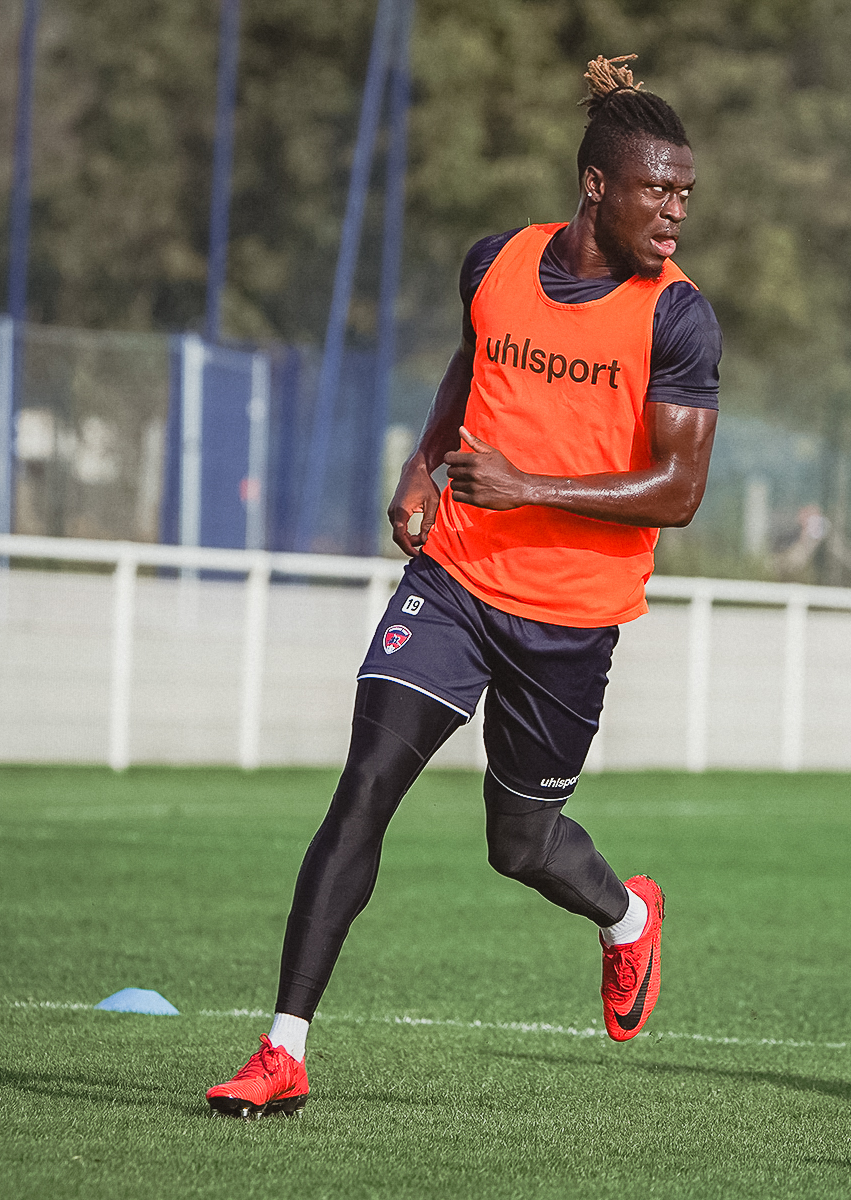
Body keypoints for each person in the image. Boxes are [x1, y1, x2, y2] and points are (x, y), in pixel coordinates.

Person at [204, 53, 721, 1119]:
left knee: (518, 845)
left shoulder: (678, 318)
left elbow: (679, 489)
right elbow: (471, 360)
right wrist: (421, 459)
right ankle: (283, 1048)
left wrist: (529, 482)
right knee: (364, 788)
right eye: (655, 191)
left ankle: (625, 916)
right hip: (454, 582)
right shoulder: (494, 261)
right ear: (595, 186)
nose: (673, 213)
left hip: (570, 621)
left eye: (683, 195)